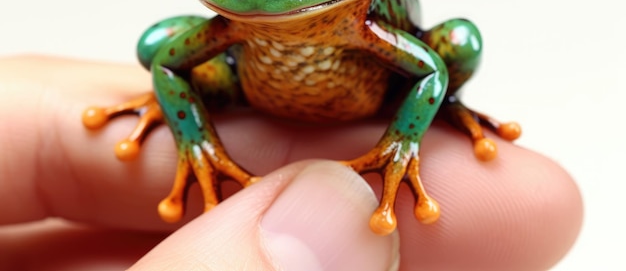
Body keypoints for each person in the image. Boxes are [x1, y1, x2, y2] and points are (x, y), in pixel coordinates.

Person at [0, 56, 582, 270]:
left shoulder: (368, 25)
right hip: (252, 74)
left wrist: (404, 140)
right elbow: (163, 56)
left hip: (376, 87)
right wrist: (194, 135)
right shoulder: (226, 22)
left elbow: (438, 62)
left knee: (456, 42)